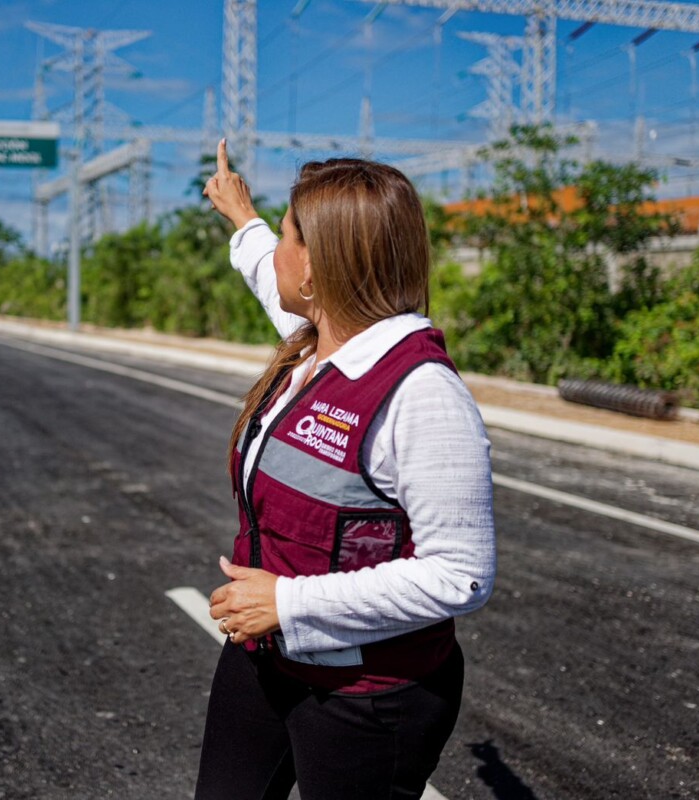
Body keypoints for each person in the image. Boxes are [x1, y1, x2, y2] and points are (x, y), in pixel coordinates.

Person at [196, 140, 496, 800]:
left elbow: (462, 573)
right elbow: (261, 272)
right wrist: (241, 216)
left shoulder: (421, 395)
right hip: (266, 661)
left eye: (286, 235)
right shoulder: (317, 341)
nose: (272, 248)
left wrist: (287, 602)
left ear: (317, 272)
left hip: (370, 698)